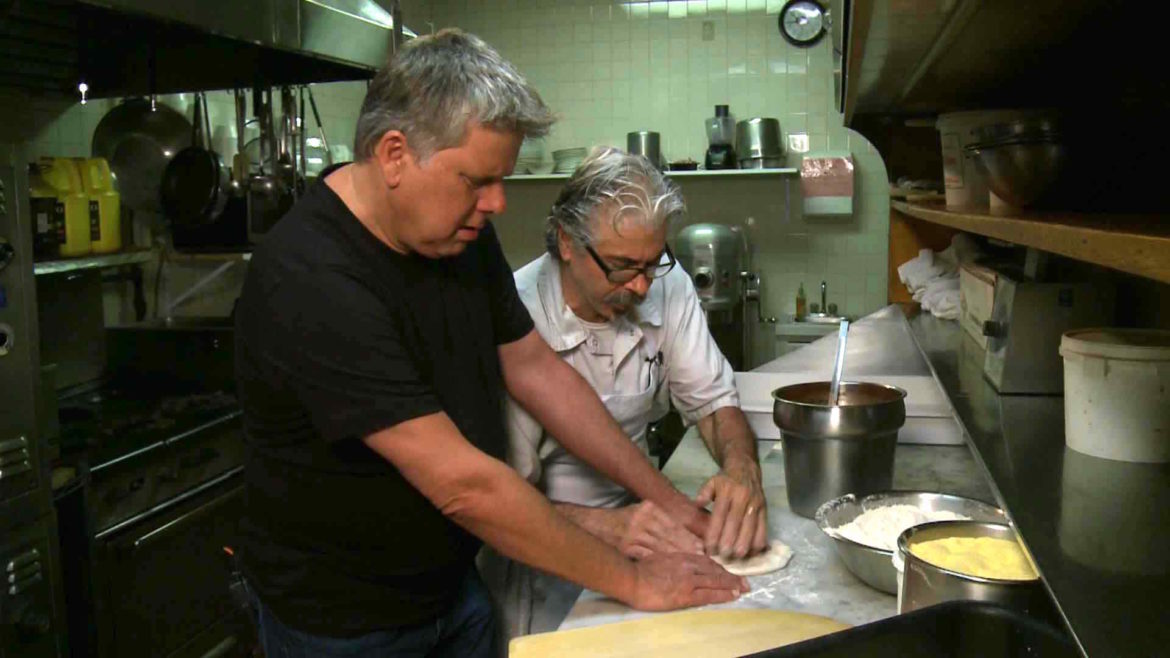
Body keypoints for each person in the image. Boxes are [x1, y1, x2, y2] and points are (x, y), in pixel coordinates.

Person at [233, 29, 746, 658]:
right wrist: (638, 580)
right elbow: (463, 485)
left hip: (453, 592)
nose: (497, 203)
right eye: (478, 180)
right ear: (394, 155)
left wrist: (669, 506)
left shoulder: (457, 234)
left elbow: (538, 372)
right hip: (347, 625)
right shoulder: (313, 278)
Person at [482, 147, 768, 638]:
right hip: (546, 559)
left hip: (650, 528)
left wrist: (741, 469)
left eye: (652, 263)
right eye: (621, 267)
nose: (640, 286)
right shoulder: (514, 317)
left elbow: (713, 401)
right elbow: (496, 503)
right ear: (567, 243)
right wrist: (608, 527)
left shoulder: (666, 283)